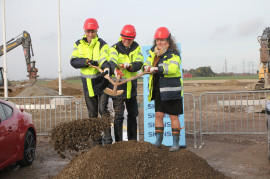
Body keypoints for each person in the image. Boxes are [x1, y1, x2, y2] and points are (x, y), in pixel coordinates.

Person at [70, 18, 112, 145]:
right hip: (88, 85)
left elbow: (105, 58)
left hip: (102, 83)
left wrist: (105, 67)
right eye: (88, 31)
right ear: (85, 30)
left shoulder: (103, 44)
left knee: (102, 109)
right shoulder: (78, 44)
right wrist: (87, 62)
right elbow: (73, 61)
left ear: (96, 31)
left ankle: (108, 139)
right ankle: (96, 141)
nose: (90, 34)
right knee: (92, 114)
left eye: (93, 31)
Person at [143, 27, 183, 152]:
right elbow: (147, 64)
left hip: (171, 91)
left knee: (173, 116)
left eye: (162, 40)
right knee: (158, 115)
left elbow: (172, 68)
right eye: (157, 40)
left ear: (168, 41)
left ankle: (175, 143)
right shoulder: (153, 54)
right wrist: (146, 67)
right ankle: (158, 141)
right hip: (158, 89)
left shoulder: (174, 55)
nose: (159, 42)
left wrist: (156, 69)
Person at [109, 24, 143, 142]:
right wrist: (115, 69)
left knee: (133, 114)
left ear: (133, 38)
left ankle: (132, 142)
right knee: (118, 117)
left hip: (131, 88)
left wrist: (129, 67)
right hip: (118, 88)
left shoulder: (137, 48)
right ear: (121, 36)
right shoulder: (114, 48)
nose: (127, 41)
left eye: (130, 39)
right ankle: (119, 144)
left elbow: (139, 63)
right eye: (125, 38)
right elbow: (112, 60)